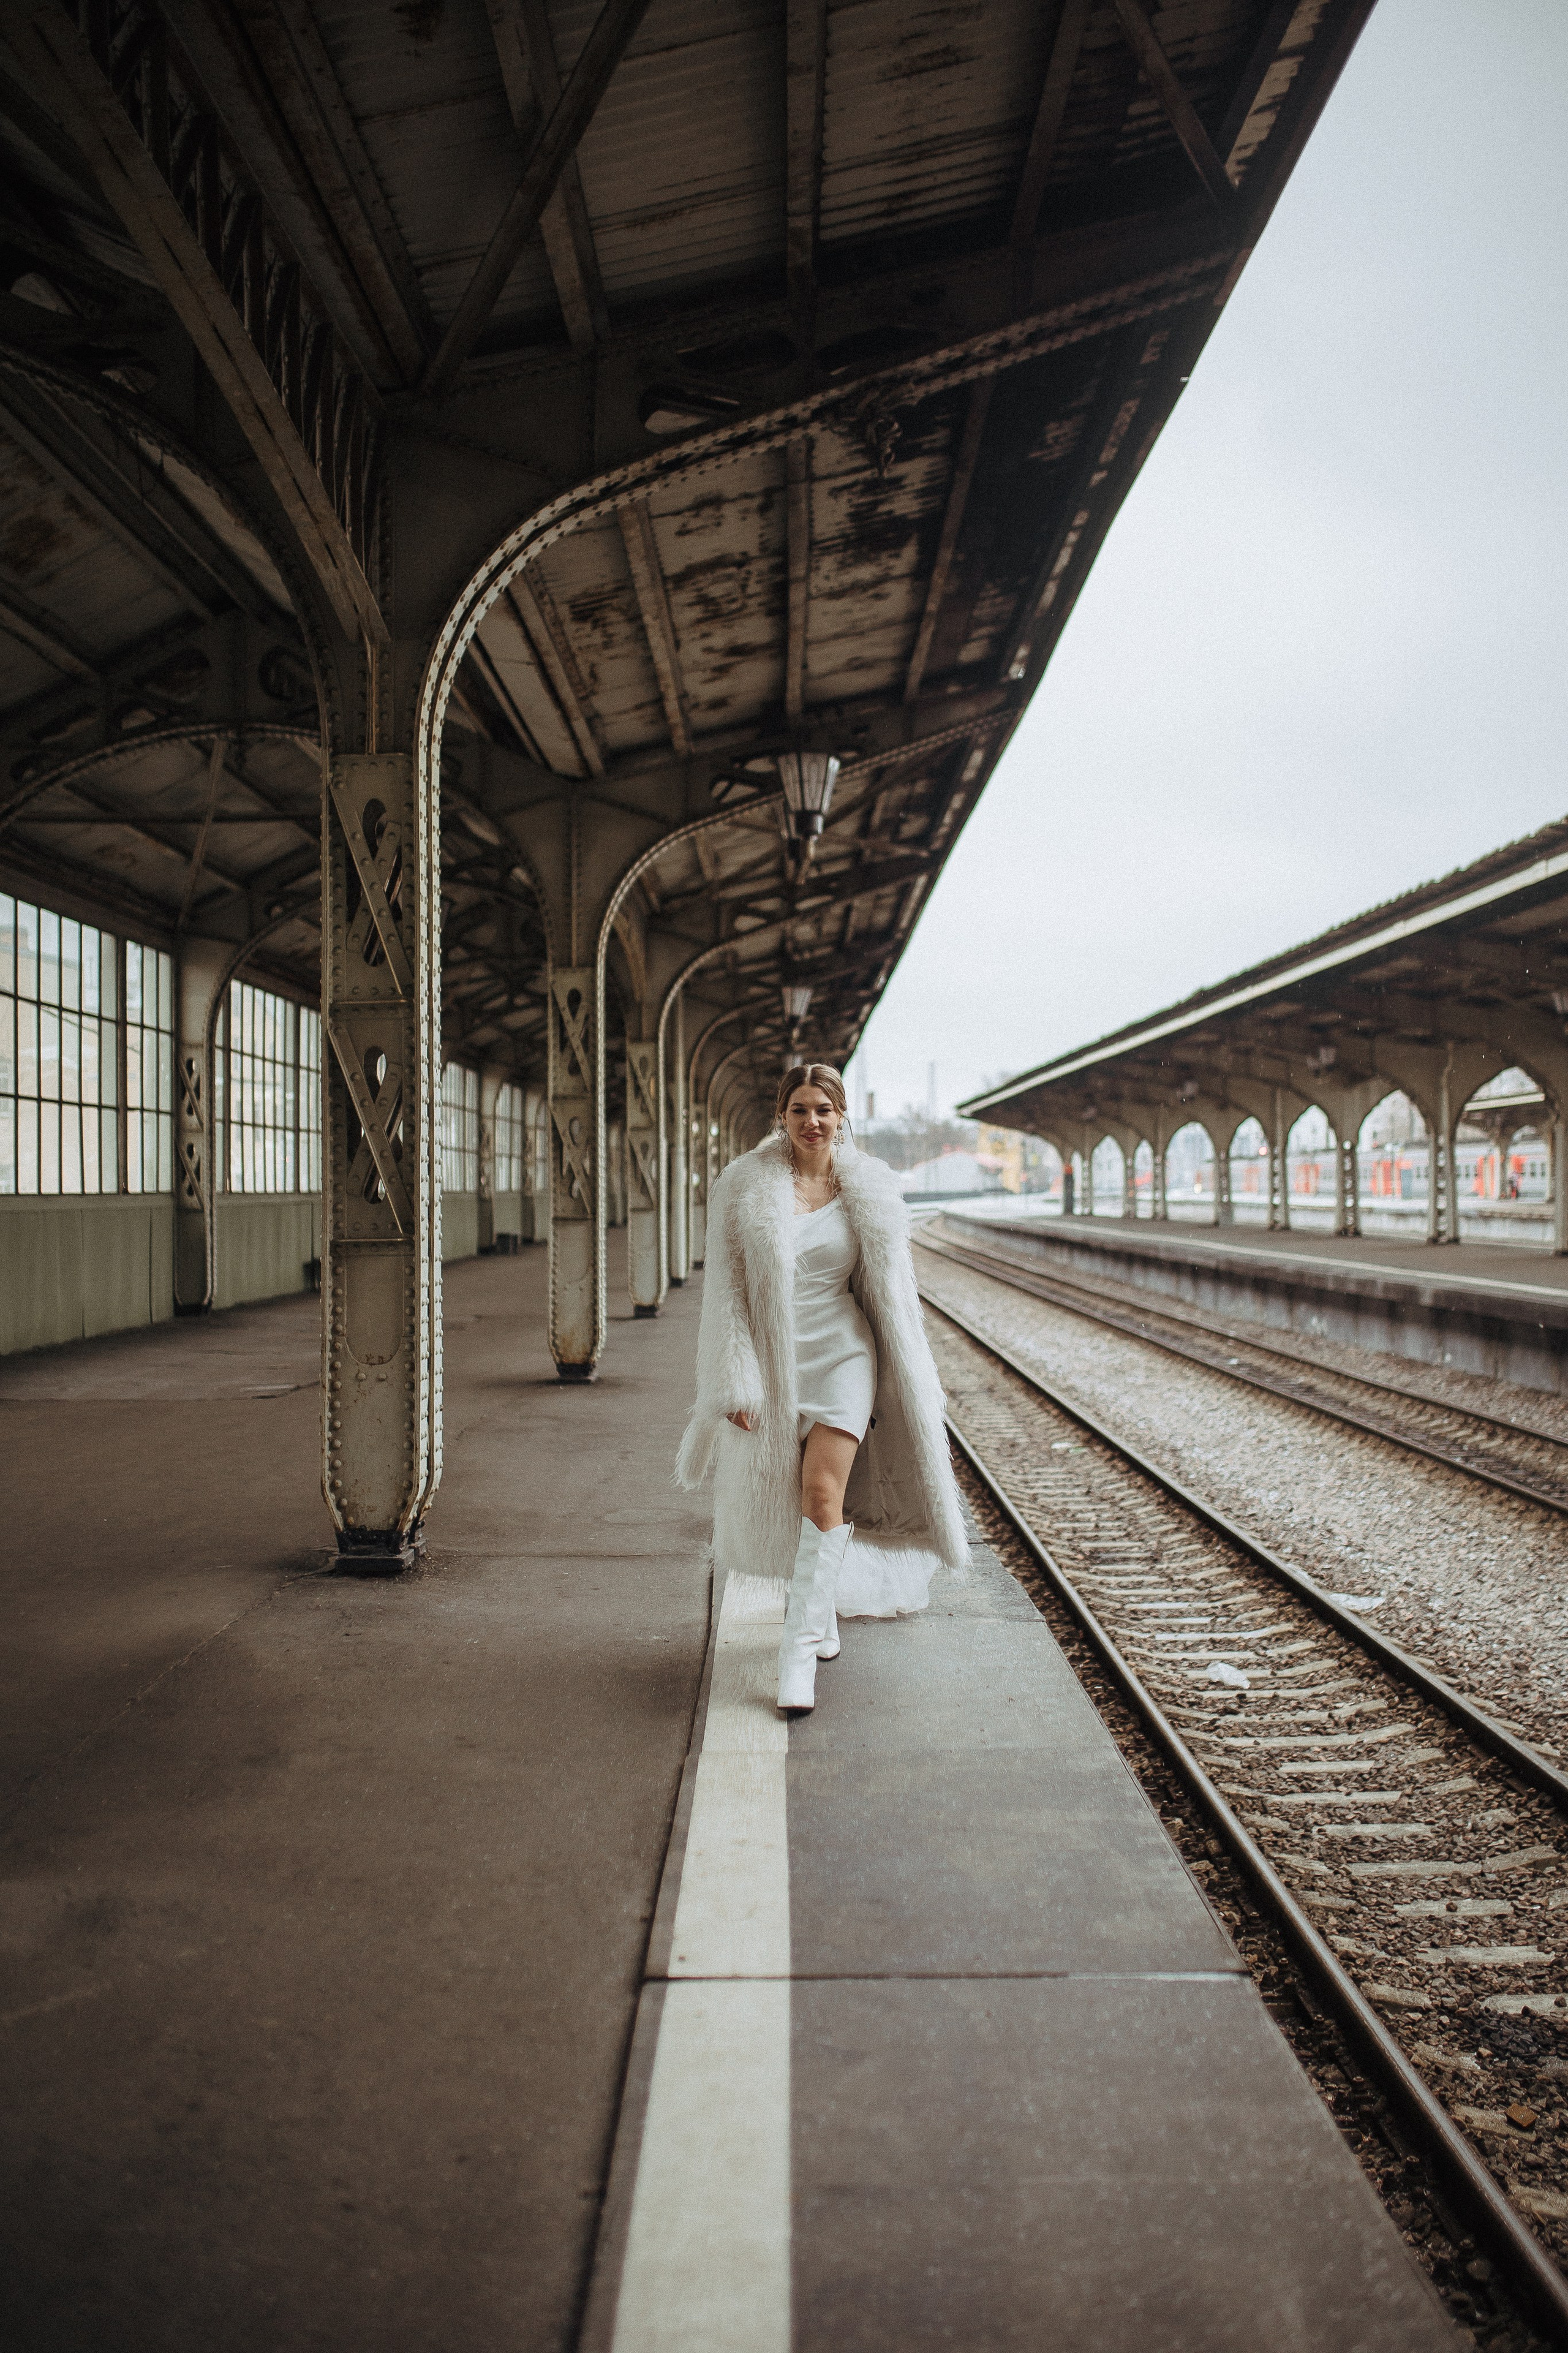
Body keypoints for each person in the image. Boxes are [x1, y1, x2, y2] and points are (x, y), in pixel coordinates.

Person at [676, 1062, 967, 1714]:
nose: (813, 1121)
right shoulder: (743, 1186)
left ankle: (797, 1652)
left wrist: (913, 1377)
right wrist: (734, 1378)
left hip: (844, 1354)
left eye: (824, 1110)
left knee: (821, 1492)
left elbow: (892, 1295)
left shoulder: (870, 1189)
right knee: (795, 1501)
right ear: (781, 1115)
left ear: (841, 1118)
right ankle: (821, 1613)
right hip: (774, 1362)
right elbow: (724, 1294)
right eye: (801, 1109)